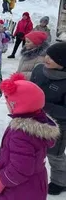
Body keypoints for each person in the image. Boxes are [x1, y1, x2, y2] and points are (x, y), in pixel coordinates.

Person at [0, 73, 60, 199]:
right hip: (34, 184)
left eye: (8, 100)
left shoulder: (22, 134)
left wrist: (2, 180)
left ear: (17, 105)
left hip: (18, 190)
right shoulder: (39, 121)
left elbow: (21, 168)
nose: (6, 104)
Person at [31, 42, 66, 196]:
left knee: (55, 155)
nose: (46, 58)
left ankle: (60, 182)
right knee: (31, 150)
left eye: (52, 57)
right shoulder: (39, 70)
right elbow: (29, 87)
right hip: (32, 120)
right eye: (47, 54)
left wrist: (44, 105)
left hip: (56, 127)